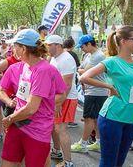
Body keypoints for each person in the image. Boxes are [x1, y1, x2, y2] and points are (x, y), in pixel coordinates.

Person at [0, 29, 66, 167]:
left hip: (36, 130)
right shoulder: (24, 66)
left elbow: (31, 108)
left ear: (23, 48)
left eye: (15, 46)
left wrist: (9, 119)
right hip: (18, 124)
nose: (12, 49)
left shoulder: (43, 70)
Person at [80, 25, 133, 167]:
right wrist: (109, 87)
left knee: (119, 162)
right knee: (108, 163)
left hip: (131, 119)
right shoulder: (112, 62)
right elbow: (84, 78)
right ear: (123, 41)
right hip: (112, 118)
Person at [70, 35, 107, 154]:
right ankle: (98, 142)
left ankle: (83, 143)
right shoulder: (88, 55)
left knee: (88, 119)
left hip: (96, 92)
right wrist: (81, 70)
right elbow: (81, 68)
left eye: (82, 46)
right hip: (92, 91)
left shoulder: (98, 56)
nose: (81, 49)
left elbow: (85, 71)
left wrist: (81, 70)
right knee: (95, 119)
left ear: (89, 44)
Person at [45, 35, 78, 167]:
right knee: (55, 127)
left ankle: (68, 162)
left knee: (61, 129)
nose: (46, 47)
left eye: (49, 45)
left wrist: (58, 102)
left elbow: (67, 85)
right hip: (59, 98)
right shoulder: (54, 58)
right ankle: (57, 151)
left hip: (66, 98)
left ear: (57, 45)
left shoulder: (66, 60)